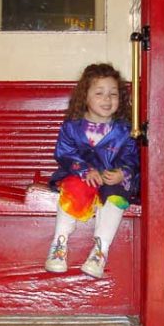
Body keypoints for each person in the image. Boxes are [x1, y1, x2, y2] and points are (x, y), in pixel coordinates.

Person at [44, 63, 140, 279]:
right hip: (81, 176)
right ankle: (59, 244)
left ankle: (100, 251)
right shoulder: (72, 127)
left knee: (117, 194)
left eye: (113, 94)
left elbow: (132, 158)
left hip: (112, 179)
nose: (107, 99)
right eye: (99, 93)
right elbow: (64, 153)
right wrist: (85, 170)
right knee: (74, 187)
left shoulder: (124, 130)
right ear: (84, 96)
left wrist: (122, 173)